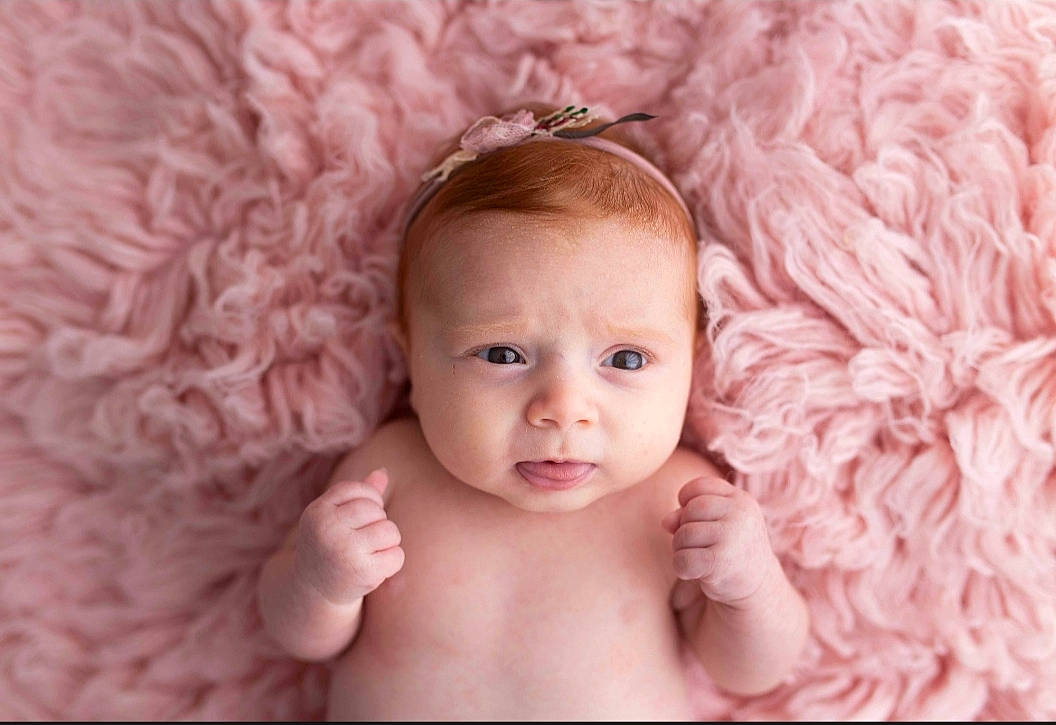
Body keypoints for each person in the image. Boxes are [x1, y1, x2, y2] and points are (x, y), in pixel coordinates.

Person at [257, 102, 810, 719]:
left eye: (625, 360)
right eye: (502, 353)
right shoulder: (389, 475)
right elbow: (302, 639)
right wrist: (319, 580)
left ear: (691, 362)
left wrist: (749, 587)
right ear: (410, 355)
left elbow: (749, 672)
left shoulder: (680, 503)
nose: (562, 410)